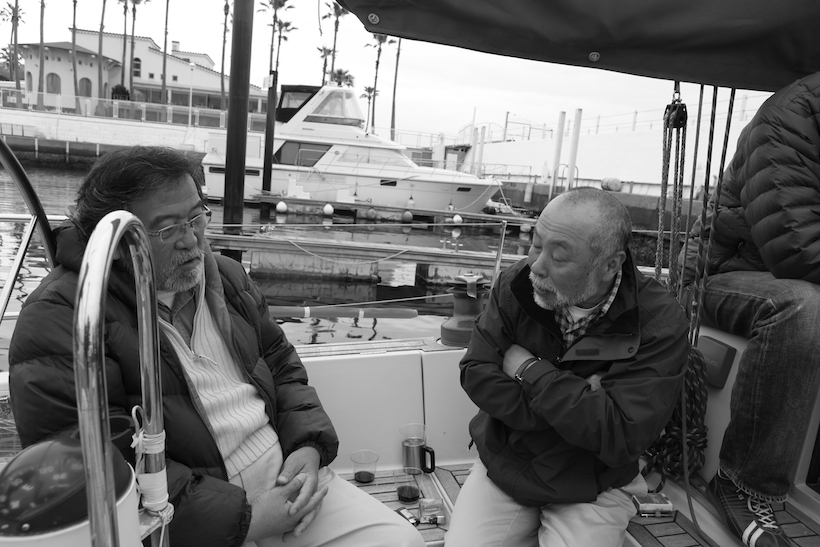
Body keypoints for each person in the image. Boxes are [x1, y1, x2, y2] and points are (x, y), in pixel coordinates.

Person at [9, 146, 424, 547]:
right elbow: (99, 463)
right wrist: (248, 521)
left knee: (401, 540)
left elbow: (282, 366)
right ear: (119, 241)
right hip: (184, 518)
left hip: (286, 479)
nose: (191, 240)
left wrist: (308, 447)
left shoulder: (226, 277)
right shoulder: (64, 316)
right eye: (168, 228)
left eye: (196, 217)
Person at [445, 187, 690, 546]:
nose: (537, 266)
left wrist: (529, 370)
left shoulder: (660, 323)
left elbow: (622, 436)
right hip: (507, 464)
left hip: (595, 484)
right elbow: (477, 371)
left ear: (610, 265)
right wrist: (579, 403)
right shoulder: (516, 283)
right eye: (536, 244)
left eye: (558, 257)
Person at [680, 71, 820, 547]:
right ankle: (743, 481)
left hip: (780, 275)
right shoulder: (791, 118)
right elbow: (799, 250)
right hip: (717, 275)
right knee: (804, 308)